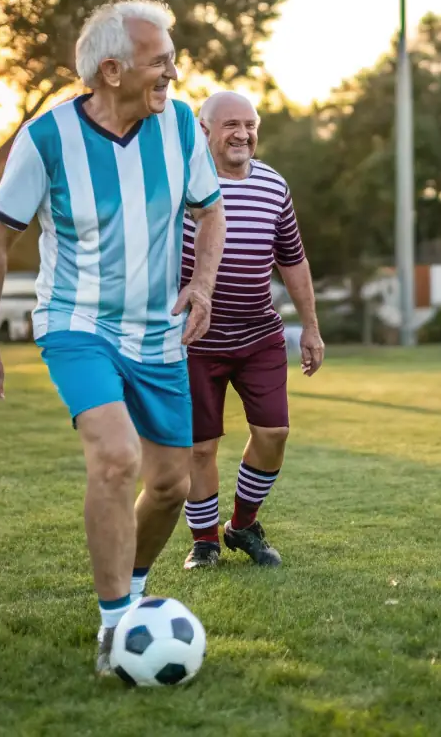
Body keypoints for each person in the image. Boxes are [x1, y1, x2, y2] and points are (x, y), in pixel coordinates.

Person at [0, 0, 226, 677]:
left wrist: (198, 287)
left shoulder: (180, 127)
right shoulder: (45, 139)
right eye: (159, 60)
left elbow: (211, 209)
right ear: (111, 70)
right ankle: (115, 631)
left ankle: (132, 598)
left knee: (171, 483)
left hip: (158, 332)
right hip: (76, 323)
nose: (172, 71)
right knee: (115, 458)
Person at [180, 91, 325, 569]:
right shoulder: (180, 183)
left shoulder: (273, 184)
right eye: (230, 125)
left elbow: (293, 261)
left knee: (274, 433)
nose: (243, 134)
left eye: (250, 124)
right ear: (205, 131)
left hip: (258, 332)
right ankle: (204, 544)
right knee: (200, 446)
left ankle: (241, 526)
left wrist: (311, 328)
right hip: (193, 340)